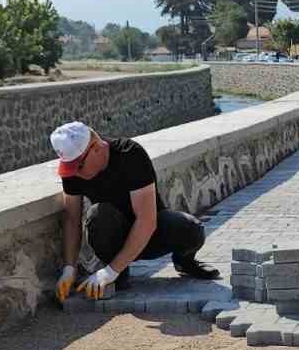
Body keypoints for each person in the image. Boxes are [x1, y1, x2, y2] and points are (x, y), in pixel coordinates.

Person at [51, 122, 220, 301]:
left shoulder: (129, 154)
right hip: (114, 237)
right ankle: (119, 272)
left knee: (192, 229)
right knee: (98, 215)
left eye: (79, 166)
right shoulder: (73, 173)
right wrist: (69, 269)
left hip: (151, 233)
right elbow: (71, 219)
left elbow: (146, 220)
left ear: (97, 148)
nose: (75, 174)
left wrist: (110, 272)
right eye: (69, 167)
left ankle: (184, 262)